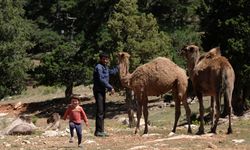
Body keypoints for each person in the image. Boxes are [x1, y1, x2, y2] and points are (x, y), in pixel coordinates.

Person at [93, 52, 119, 137]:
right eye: (103, 59)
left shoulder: (105, 67)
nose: (105, 60)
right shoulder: (99, 67)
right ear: (100, 59)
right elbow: (101, 79)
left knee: (102, 110)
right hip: (98, 91)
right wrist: (110, 87)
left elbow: (111, 72)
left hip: (102, 90)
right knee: (100, 111)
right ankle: (98, 131)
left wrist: (119, 67)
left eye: (106, 59)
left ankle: (100, 130)